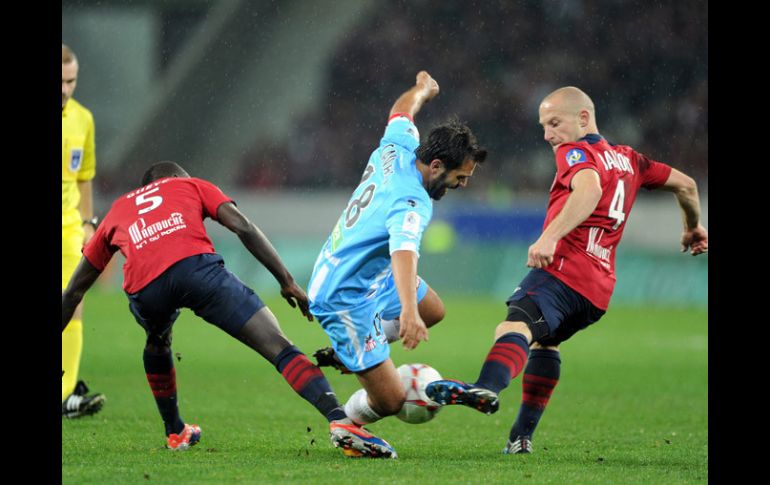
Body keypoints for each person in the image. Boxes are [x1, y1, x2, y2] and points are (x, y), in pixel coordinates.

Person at [426, 86, 708, 454]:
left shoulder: (575, 151)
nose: (548, 135)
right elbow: (686, 185)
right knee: (547, 341)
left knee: (514, 325)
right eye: (544, 126)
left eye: (555, 123)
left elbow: (588, 190)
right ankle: (520, 438)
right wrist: (692, 227)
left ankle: (486, 387)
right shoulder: (630, 159)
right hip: (598, 290)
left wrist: (549, 238)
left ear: (584, 119)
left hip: (564, 270)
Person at [62, 161, 395, 455]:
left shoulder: (120, 208)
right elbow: (243, 226)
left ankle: (175, 432)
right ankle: (339, 419)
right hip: (198, 271)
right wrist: (286, 280)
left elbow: (75, 289)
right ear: (178, 177)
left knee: (157, 340)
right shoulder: (191, 185)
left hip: (146, 288)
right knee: (277, 346)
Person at [306, 71, 489, 458]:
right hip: (344, 294)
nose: (463, 185)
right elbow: (403, 254)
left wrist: (422, 89)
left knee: (433, 309)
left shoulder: (401, 145)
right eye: (460, 177)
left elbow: (400, 110)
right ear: (436, 165)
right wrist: (407, 311)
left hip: (366, 274)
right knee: (390, 401)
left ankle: (353, 352)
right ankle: (346, 424)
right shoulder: (412, 202)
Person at [62, 43, 106, 418]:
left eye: (70, 81)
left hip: (67, 229)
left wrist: (89, 224)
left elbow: (84, 177)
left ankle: (64, 394)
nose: (64, 88)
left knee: (73, 303)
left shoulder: (83, 119)